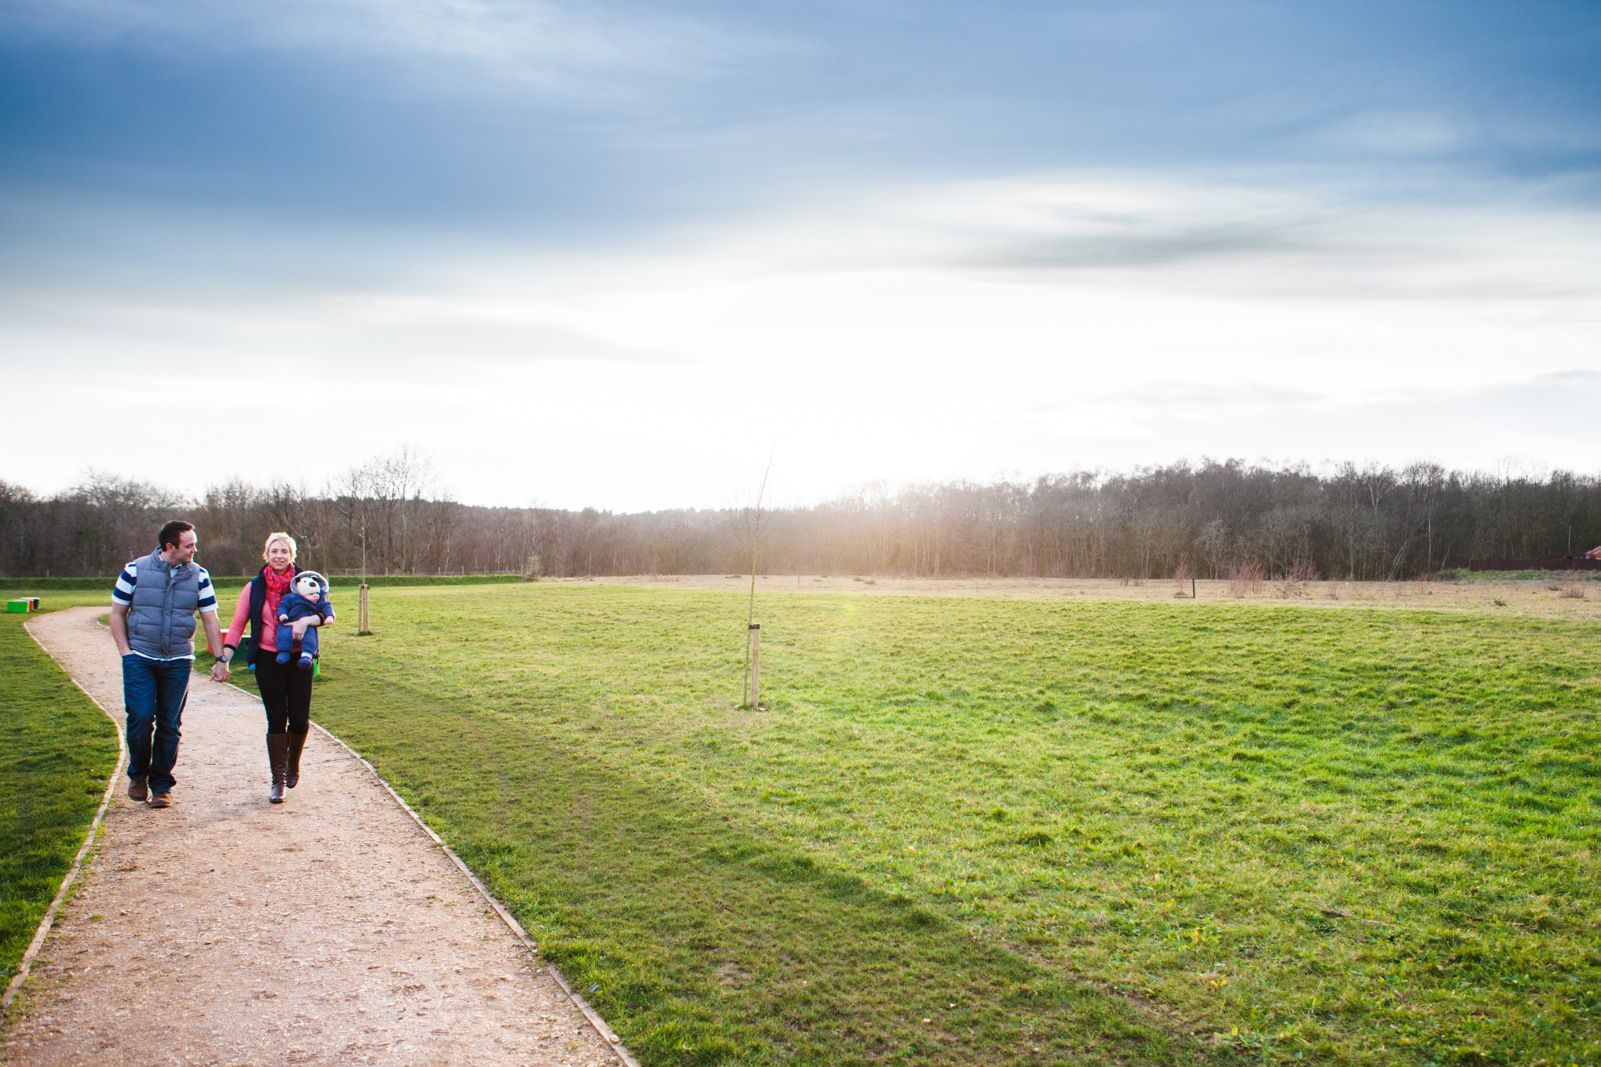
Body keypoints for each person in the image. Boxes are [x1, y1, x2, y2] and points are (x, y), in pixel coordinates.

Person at [110, 519, 226, 809]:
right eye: (189, 545)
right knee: (139, 717)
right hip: (141, 657)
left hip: (178, 660)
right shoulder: (135, 570)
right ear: (169, 546)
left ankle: (161, 785)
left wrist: (220, 658)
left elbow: (210, 618)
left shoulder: (199, 576)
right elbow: (117, 613)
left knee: (169, 724)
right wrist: (126, 652)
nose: (194, 550)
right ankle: (138, 775)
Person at [215, 532, 334, 803]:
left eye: (284, 551)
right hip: (269, 659)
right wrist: (225, 658)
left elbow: (327, 614)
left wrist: (307, 623)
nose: (279, 555)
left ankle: (293, 762)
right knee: (276, 717)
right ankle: (278, 778)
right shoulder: (254, 588)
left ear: (292, 556)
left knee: (301, 718)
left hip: (300, 657)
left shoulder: (308, 583)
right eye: (274, 551)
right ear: (266, 554)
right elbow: (237, 624)